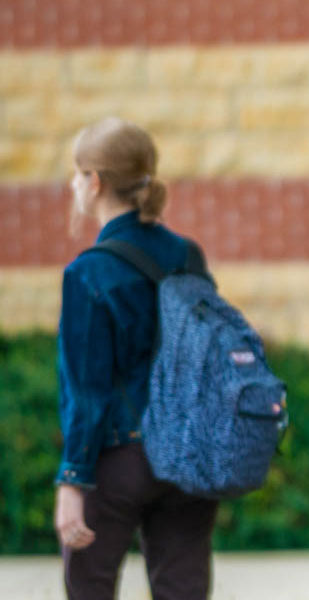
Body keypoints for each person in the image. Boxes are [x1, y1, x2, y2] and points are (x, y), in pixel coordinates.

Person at [55, 117, 218, 600]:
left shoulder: (89, 272)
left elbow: (87, 392)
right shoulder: (187, 255)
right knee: (183, 591)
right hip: (189, 456)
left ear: (96, 182)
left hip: (119, 459)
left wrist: (71, 480)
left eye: (77, 173)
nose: (73, 184)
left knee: (91, 588)